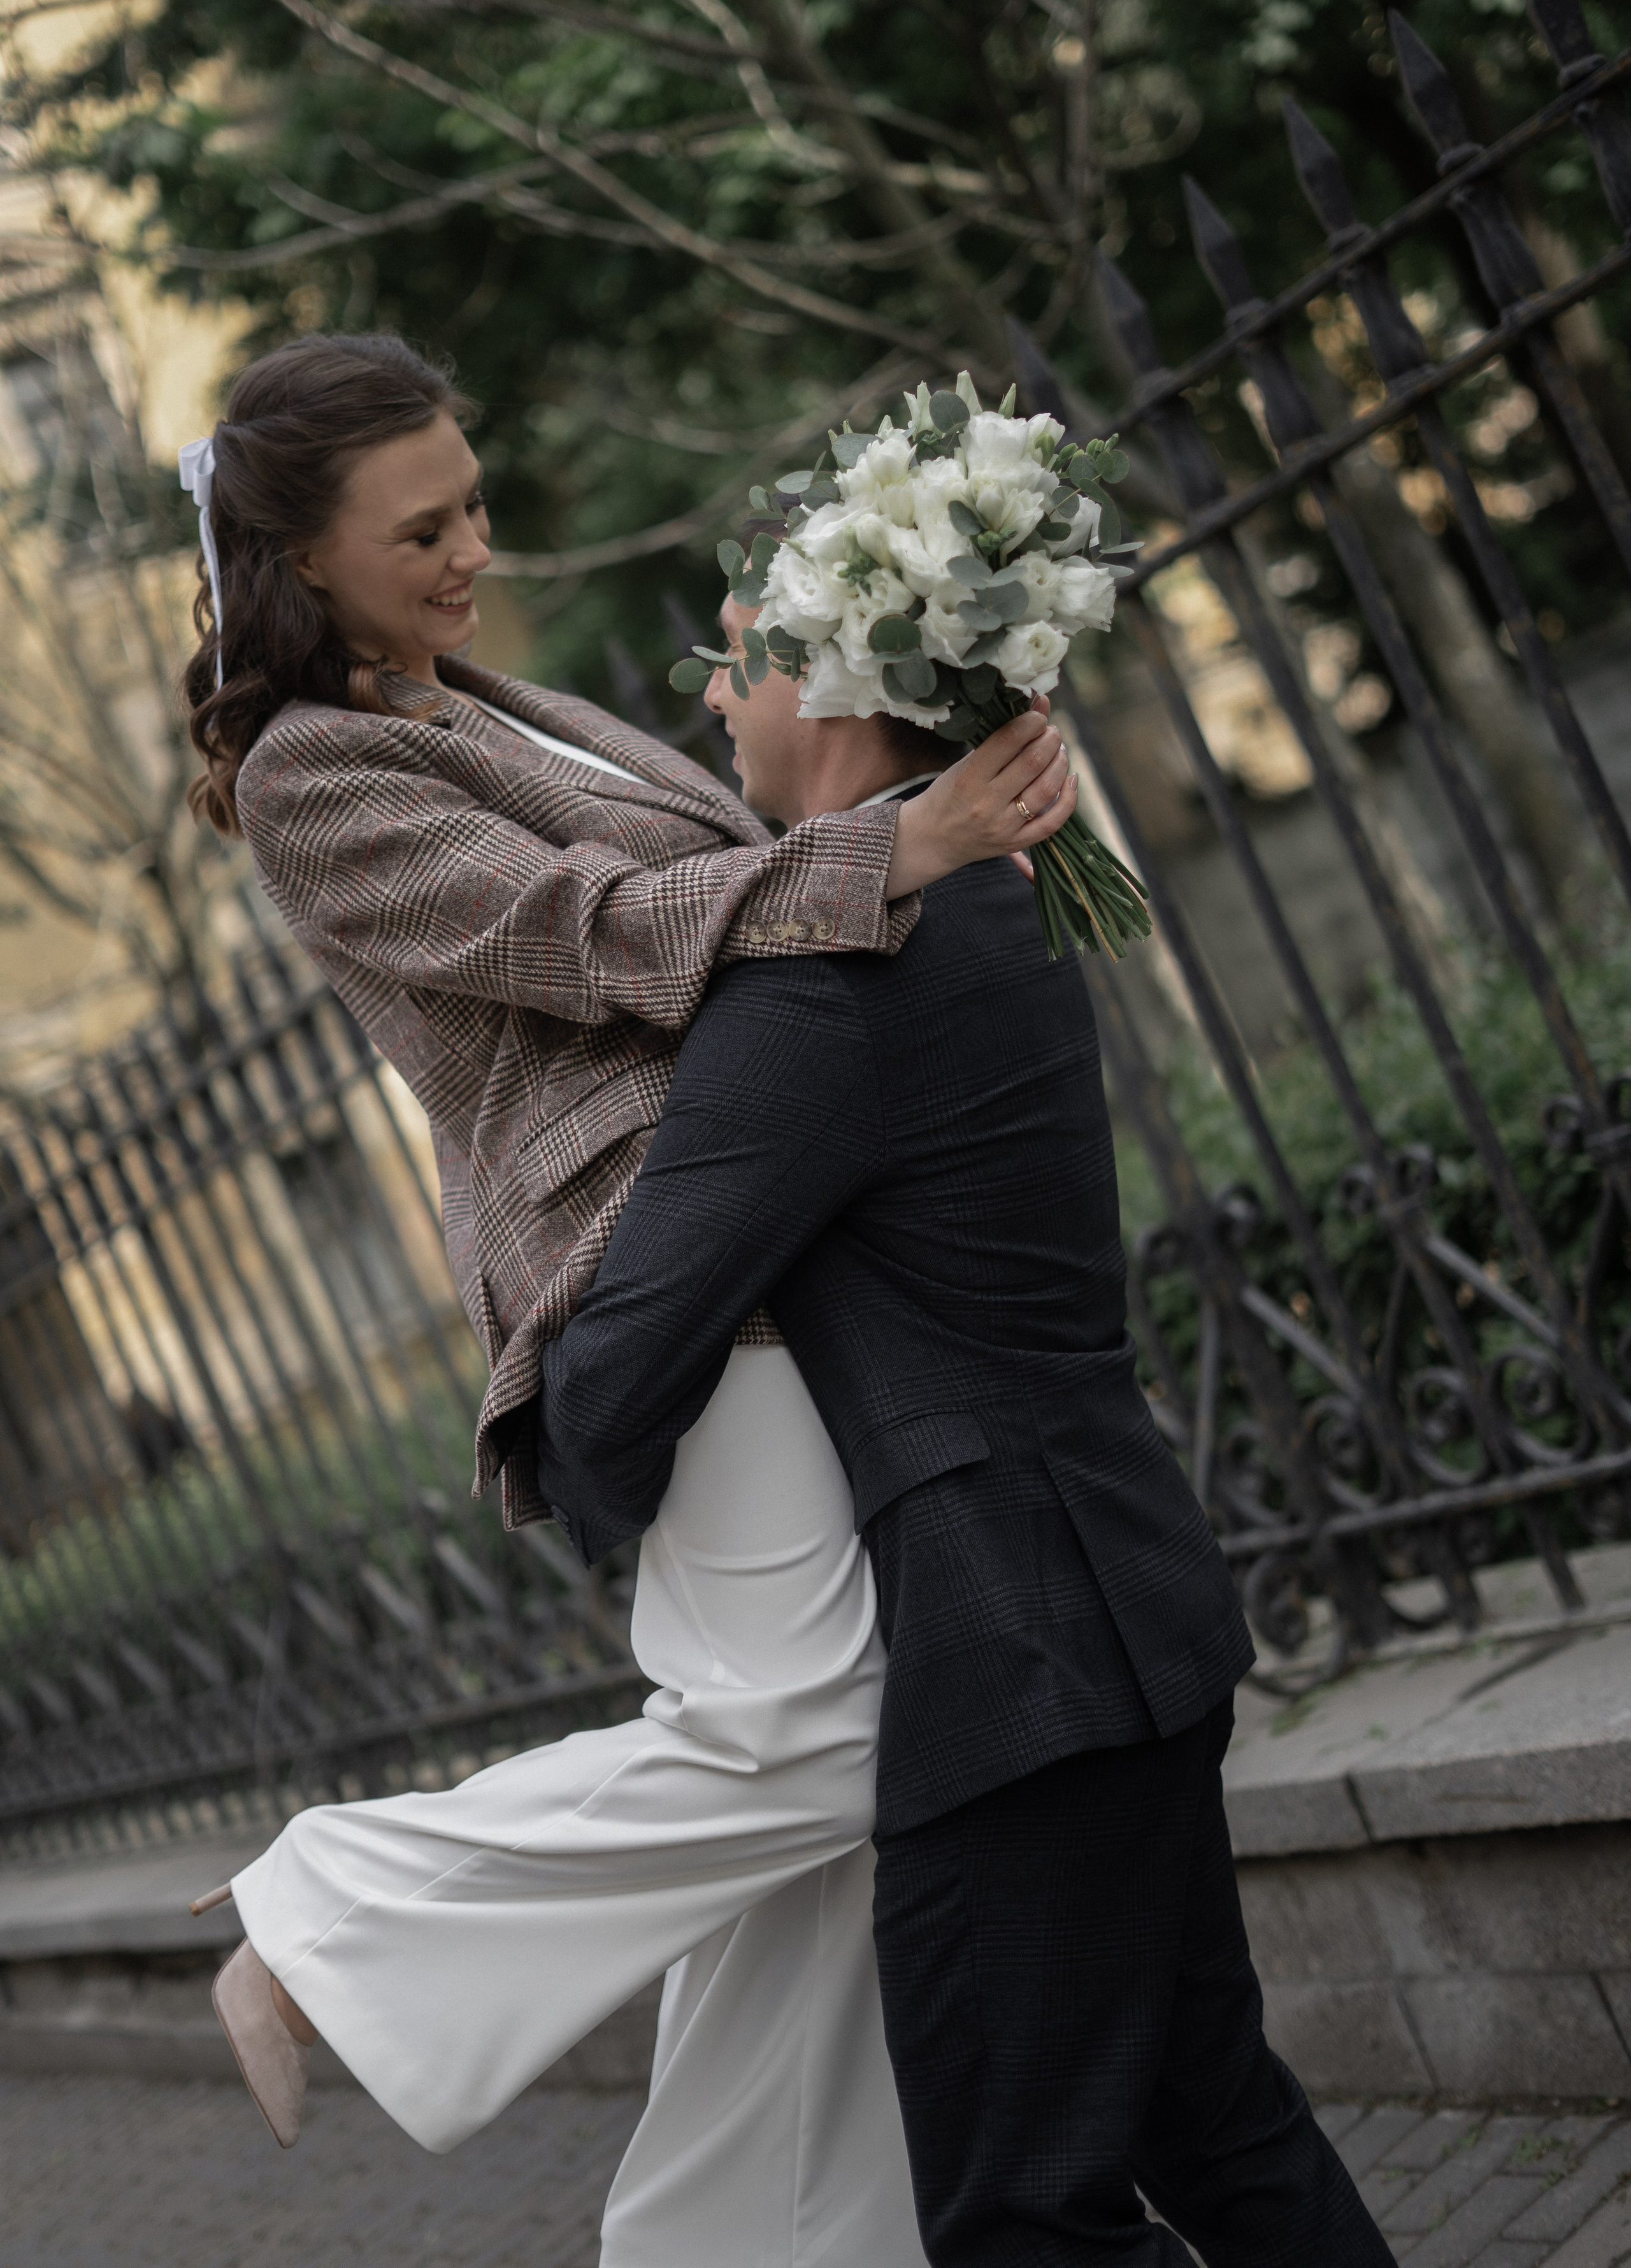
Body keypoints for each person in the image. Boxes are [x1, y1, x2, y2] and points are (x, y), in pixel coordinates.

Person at [180, 329, 1077, 2266]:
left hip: (760, 1236)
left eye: (474, 505)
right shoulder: (310, 779)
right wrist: (888, 846)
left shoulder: (475, 694)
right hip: (650, 1266)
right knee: (834, 1735)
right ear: (299, 557)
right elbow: (586, 941)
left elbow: (735, 868)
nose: (471, 550)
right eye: (421, 530)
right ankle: (331, 1916)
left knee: (811, 1849)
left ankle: (741, 2243)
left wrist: (913, 776)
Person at [529, 604, 1397, 2268]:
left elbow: (621, 1370)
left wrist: (575, 1462)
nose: (707, 692)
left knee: (1018, 2221)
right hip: (1120, 1609)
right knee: (1216, 2125)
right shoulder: (998, 907)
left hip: (1012, 1677)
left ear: (844, 679)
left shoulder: (834, 976)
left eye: (735, 652)